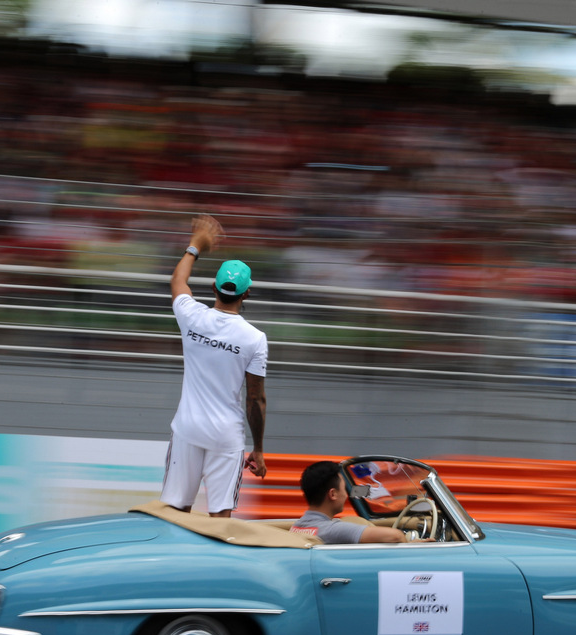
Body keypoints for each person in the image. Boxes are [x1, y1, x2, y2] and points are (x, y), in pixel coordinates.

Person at [160, 214, 268, 517]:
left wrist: (195, 245)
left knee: (176, 512)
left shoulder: (191, 316)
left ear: (213, 287)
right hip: (226, 436)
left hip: (187, 429)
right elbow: (255, 399)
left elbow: (178, 281)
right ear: (247, 293)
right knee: (220, 519)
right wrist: (258, 448)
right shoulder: (254, 339)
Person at [291, 461, 408, 544]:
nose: (347, 495)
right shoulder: (333, 530)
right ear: (333, 494)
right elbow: (395, 536)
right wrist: (408, 541)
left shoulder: (296, 527)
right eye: (344, 489)